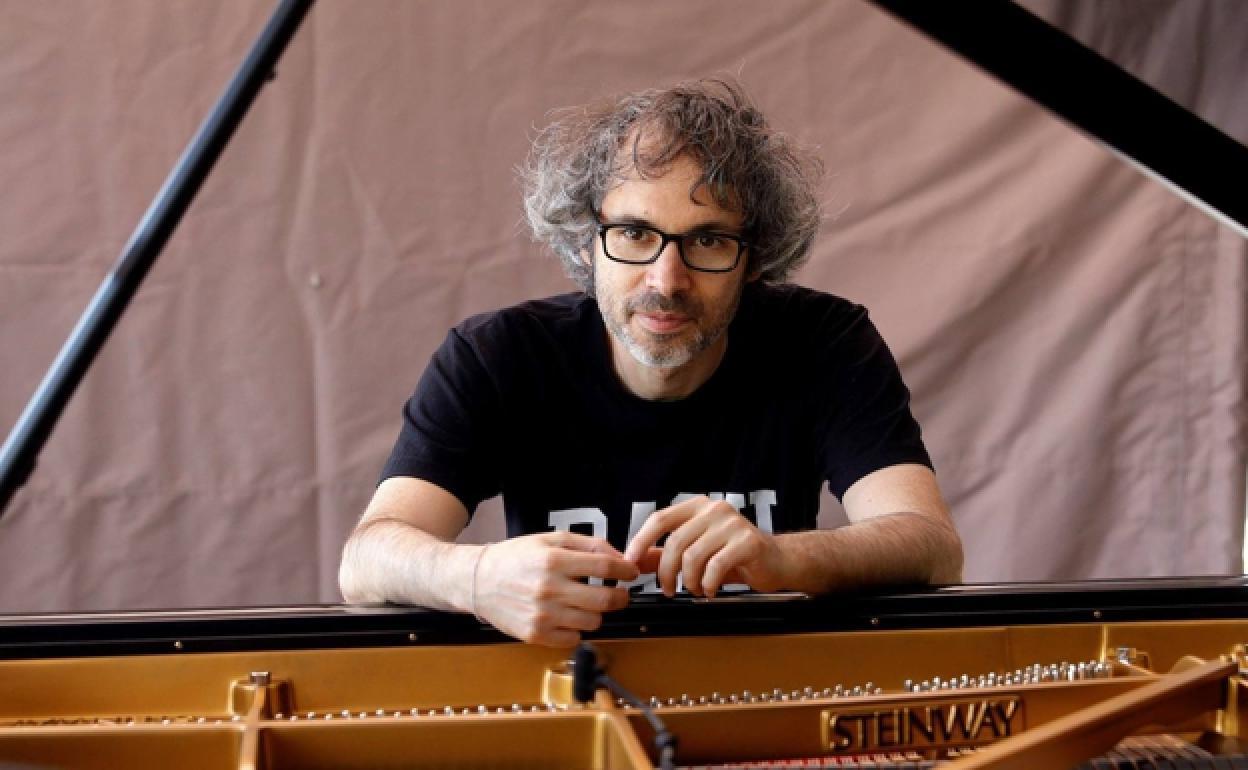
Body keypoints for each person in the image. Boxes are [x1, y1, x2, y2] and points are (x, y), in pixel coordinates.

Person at [339, 78, 963, 647]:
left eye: (708, 240)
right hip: (566, 694)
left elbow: (932, 545)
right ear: (587, 242)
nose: (667, 280)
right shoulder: (496, 357)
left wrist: (782, 559)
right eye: (635, 233)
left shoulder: (824, 342)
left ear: (755, 258)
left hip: (765, 688)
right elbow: (366, 561)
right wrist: (475, 577)